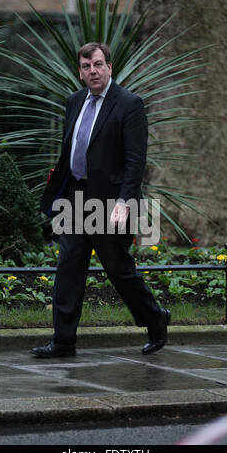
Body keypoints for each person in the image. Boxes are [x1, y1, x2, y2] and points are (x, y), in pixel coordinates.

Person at [31, 42, 170, 358]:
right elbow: (72, 148)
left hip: (110, 203)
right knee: (68, 267)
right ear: (79, 72)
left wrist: (125, 202)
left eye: (97, 64)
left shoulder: (129, 104)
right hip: (75, 198)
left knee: (119, 269)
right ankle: (63, 341)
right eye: (85, 66)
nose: (92, 71)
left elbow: (136, 161)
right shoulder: (74, 101)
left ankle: (155, 318)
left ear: (109, 66)